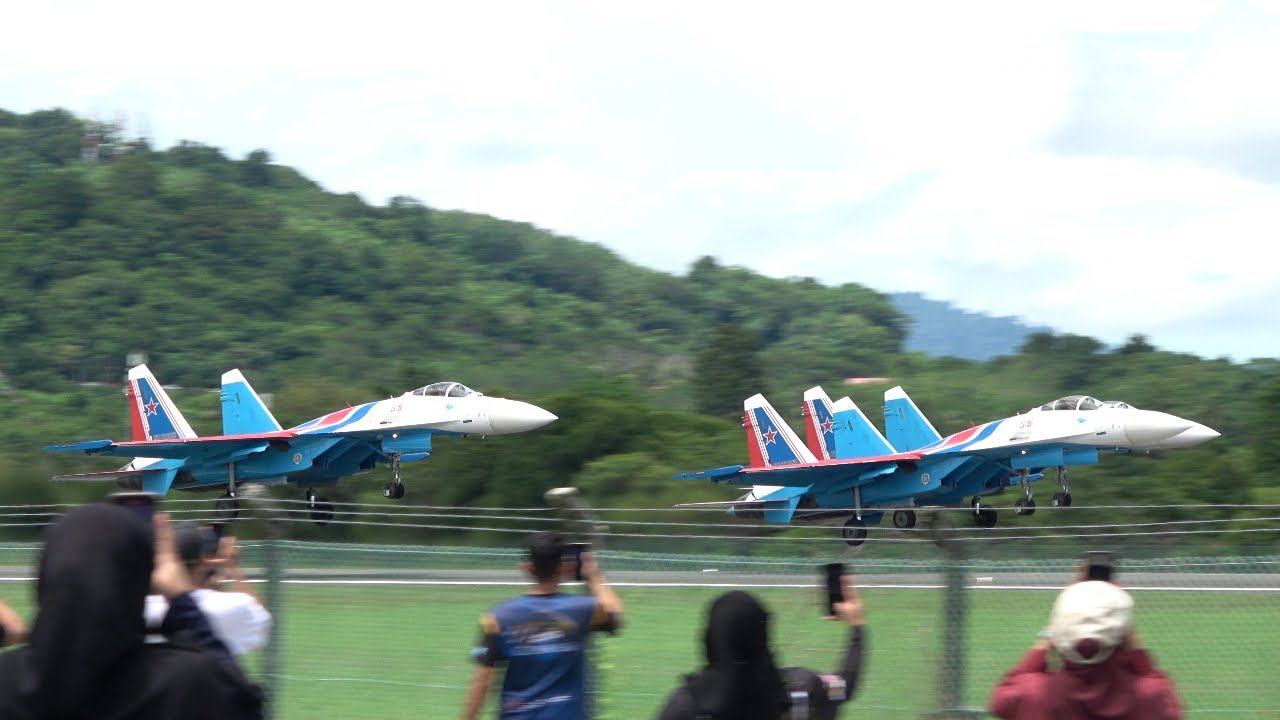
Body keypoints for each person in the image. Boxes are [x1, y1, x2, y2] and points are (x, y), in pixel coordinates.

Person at [0, 504, 263, 719]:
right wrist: (182, 599)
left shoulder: (8, 682)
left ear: (44, 577)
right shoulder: (186, 683)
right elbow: (238, 700)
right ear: (141, 581)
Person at [462, 531, 624, 720]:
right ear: (564, 567)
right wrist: (594, 575)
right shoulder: (584, 610)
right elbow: (616, 617)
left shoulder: (498, 616)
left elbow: (483, 680)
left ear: (526, 567)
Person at [656, 576, 868, 720]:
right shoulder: (801, 691)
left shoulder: (686, 706)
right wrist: (856, 626)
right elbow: (845, 685)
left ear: (710, 638)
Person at [988, 579, 1183, 720]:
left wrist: (1052, 632)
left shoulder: (1033, 693)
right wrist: (1134, 644)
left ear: (1059, 636)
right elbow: (1166, 703)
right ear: (1124, 636)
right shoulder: (1148, 695)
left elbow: (1003, 699)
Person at [144, 523, 273, 658]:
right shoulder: (232, 606)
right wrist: (231, 565)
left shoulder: (140, 610)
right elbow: (264, 620)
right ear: (204, 560)